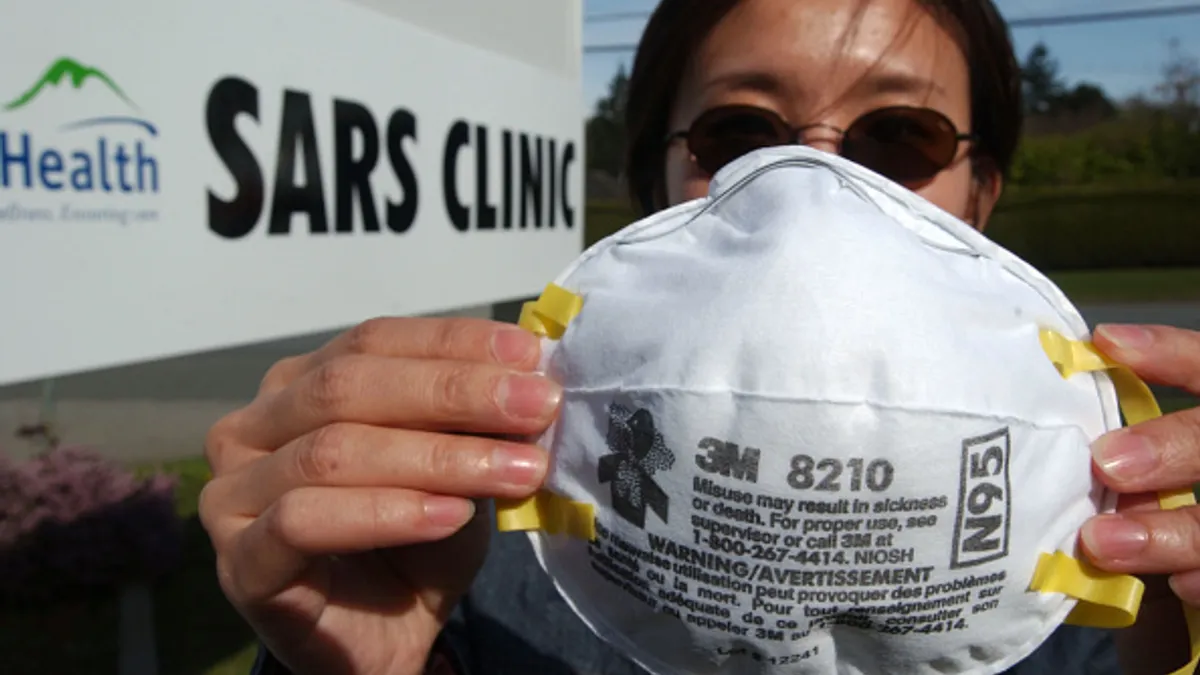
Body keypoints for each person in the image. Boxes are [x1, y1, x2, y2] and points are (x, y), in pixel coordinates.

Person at [199, 0, 1200, 673]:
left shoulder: (1103, 568)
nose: (813, 199)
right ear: (654, 179)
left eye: (901, 139)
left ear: (980, 192)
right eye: (740, 138)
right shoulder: (490, 541)